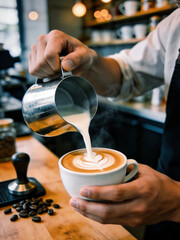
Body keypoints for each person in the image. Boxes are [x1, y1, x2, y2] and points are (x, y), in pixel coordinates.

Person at [29, 5, 180, 239]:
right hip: (164, 203)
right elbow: (127, 72)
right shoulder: (175, 23)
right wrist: (90, 62)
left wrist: (176, 202)